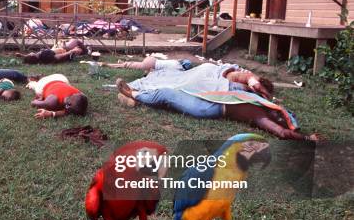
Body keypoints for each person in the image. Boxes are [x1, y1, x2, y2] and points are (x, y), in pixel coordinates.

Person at [116, 78, 320, 141]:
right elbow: (248, 83)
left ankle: (132, 94)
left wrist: (307, 139)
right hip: (211, 101)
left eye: (278, 114)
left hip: (208, 108)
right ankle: (138, 95)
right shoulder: (252, 98)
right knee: (173, 91)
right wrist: (259, 89)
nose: (276, 112)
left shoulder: (259, 114)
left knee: (167, 94)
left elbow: (283, 133)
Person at [106, 57, 273, 100]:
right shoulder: (159, 72)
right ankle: (132, 95)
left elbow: (241, 76)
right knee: (168, 86)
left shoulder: (165, 69)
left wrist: (252, 80)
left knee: (170, 87)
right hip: (199, 77)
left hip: (200, 78)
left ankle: (131, 95)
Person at [15, 39, 88, 64]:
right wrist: (71, 51)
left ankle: (85, 51)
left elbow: (28, 57)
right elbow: (57, 57)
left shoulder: (38, 56)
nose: (30, 53)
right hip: (65, 50)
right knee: (75, 41)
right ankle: (86, 51)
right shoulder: (44, 56)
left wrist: (21, 55)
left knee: (73, 42)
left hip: (59, 48)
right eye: (29, 54)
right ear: (32, 56)